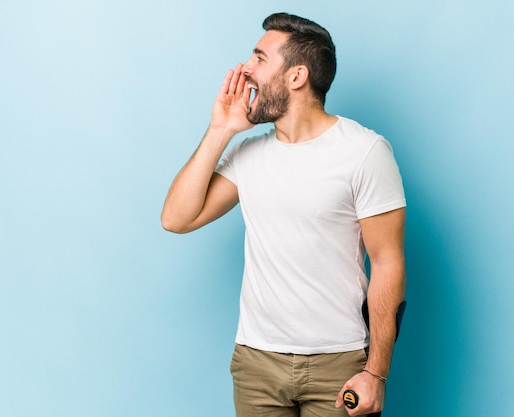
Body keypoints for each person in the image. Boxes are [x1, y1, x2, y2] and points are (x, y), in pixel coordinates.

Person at [161, 12, 406, 417]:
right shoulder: (248, 154)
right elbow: (177, 219)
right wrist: (220, 129)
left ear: (296, 77)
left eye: (259, 58)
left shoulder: (364, 152)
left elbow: (387, 264)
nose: (245, 69)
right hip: (257, 364)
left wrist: (375, 373)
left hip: (338, 363)